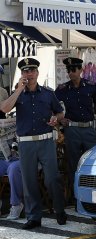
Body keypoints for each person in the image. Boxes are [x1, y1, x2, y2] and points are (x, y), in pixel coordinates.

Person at [0, 58, 66, 229]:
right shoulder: (18, 94)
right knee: (29, 181)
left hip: (45, 141)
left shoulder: (47, 93)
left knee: (52, 178)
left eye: (32, 70)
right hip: (26, 144)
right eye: (26, 71)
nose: (29, 74)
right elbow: (5, 108)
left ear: (37, 73)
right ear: (22, 74)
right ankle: (34, 216)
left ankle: (59, 210)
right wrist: (18, 89)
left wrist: (55, 119)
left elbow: (60, 113)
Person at [55, 57, 96, 198]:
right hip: (72, 130)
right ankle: (76, 196)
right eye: (68, 70)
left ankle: (91, 194)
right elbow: (53, 107)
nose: (71, 73)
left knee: (91, 163)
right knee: (74, 163)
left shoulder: (91, 86)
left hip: (89, 129)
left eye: (73, 69)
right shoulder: (62, 89)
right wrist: (60, 119)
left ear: (81, 70)